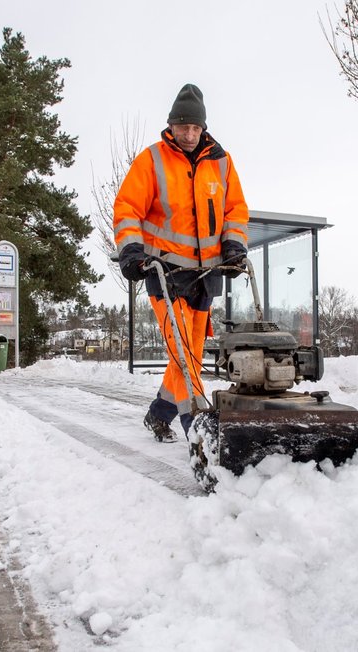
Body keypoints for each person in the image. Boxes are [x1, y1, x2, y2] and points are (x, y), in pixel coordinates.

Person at [113, 83, 249, 442]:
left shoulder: (221, 161)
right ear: (171, 126)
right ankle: (199, 433)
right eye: (182, 127)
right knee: (184, 354)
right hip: (164, 270)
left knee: (188, 355)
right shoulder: (152, 159)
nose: (189, 134)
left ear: (204, 128)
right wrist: (131, 251)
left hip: (205, 275)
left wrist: (233, 245)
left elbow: (235, 209)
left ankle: (159, 414)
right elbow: (127, 208)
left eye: (195, 128)